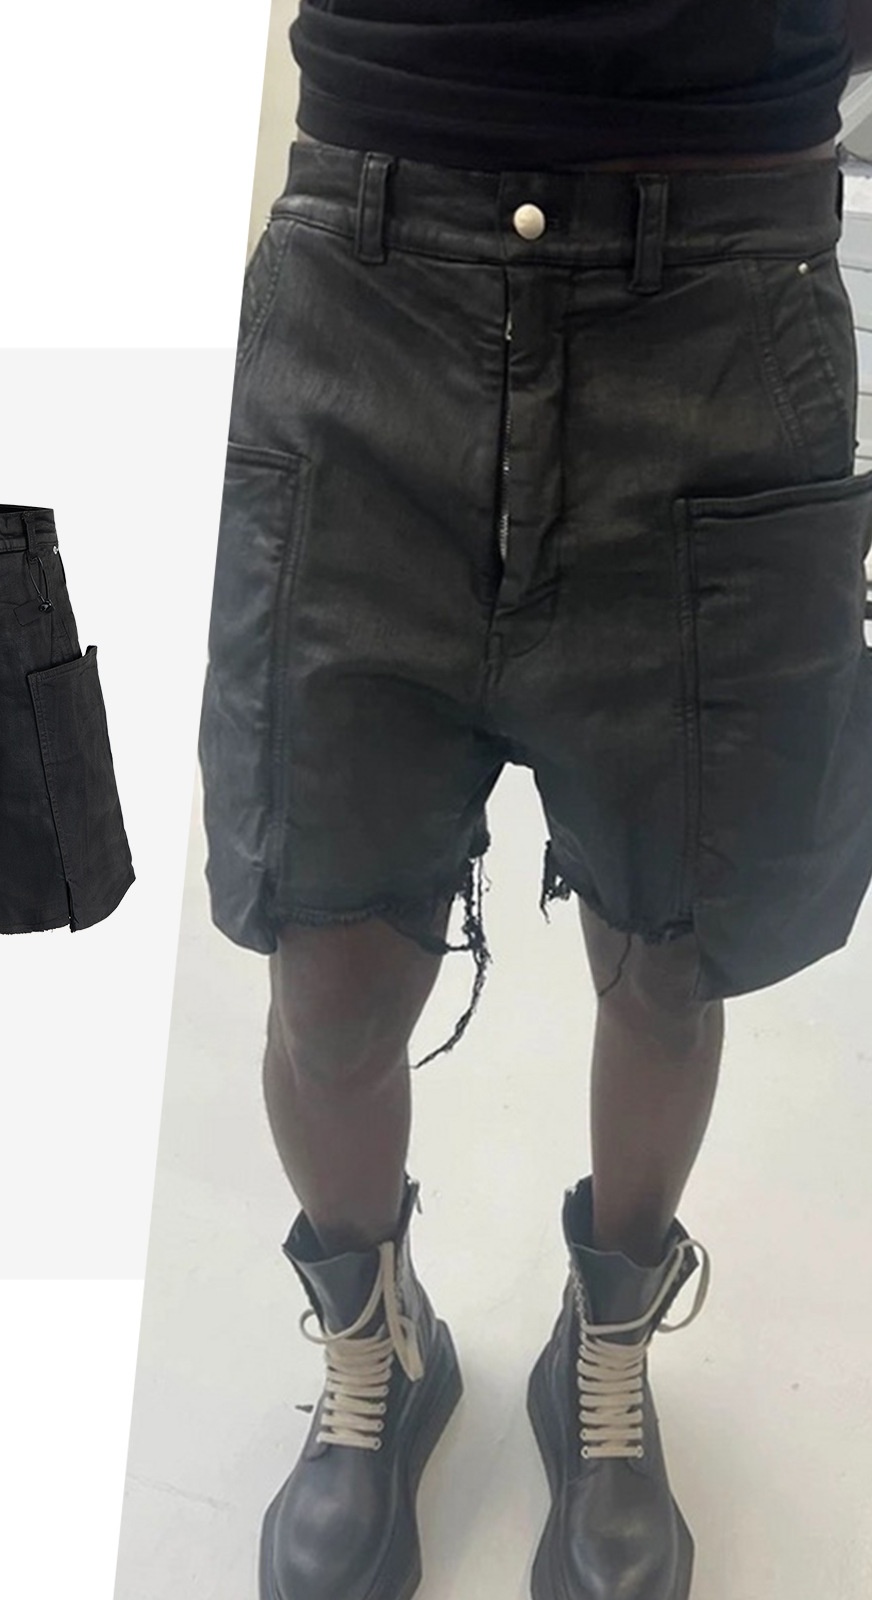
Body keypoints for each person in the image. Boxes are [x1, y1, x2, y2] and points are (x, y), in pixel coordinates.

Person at [197, 4, 872, 1597]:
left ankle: (604, 1345)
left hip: (725, 297)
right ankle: (379, 1344)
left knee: (673, 952)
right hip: (365, 286)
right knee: (325, 973)